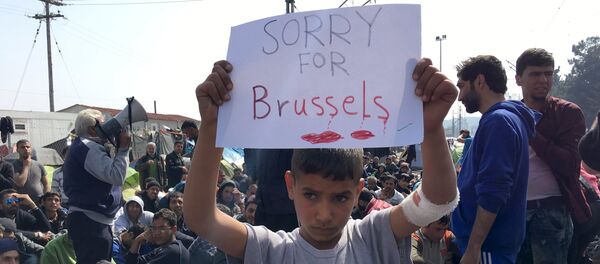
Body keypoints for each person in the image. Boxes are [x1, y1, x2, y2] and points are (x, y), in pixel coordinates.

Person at [183, 59, 459, 263]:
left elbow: (438, 200)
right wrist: (212, 128)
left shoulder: (374, 235)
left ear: (358, 190)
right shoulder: (271, 250)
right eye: (311, 194)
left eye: (340, 198)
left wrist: (431, 129)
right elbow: (202, 218)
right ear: (291, 184)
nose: (324, 214)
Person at [450, 55, 536, 263]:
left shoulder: (499, 122)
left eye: (461, 86)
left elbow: (493, 191)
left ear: (480, 81)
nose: (459, 97)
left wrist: (473, 248)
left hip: (487, 248)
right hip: (489, 246)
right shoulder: (503, 119)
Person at [511, 48, 590, 264]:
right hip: (515, 212)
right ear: (518, 79)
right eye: (535, 74)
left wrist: (532, 130)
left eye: (548, 73)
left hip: (552, 210)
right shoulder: (509, 115)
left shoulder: (567, 113)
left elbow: (569, 164)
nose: (543, 80)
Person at [63, 108, 131, 263]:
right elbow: (116, 176)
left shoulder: (84, 146)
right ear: (92, 129)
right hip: (91, 222)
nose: (108, 127)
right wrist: (123, 150)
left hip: (92, 220)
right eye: (103, 124)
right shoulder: (88, 147)